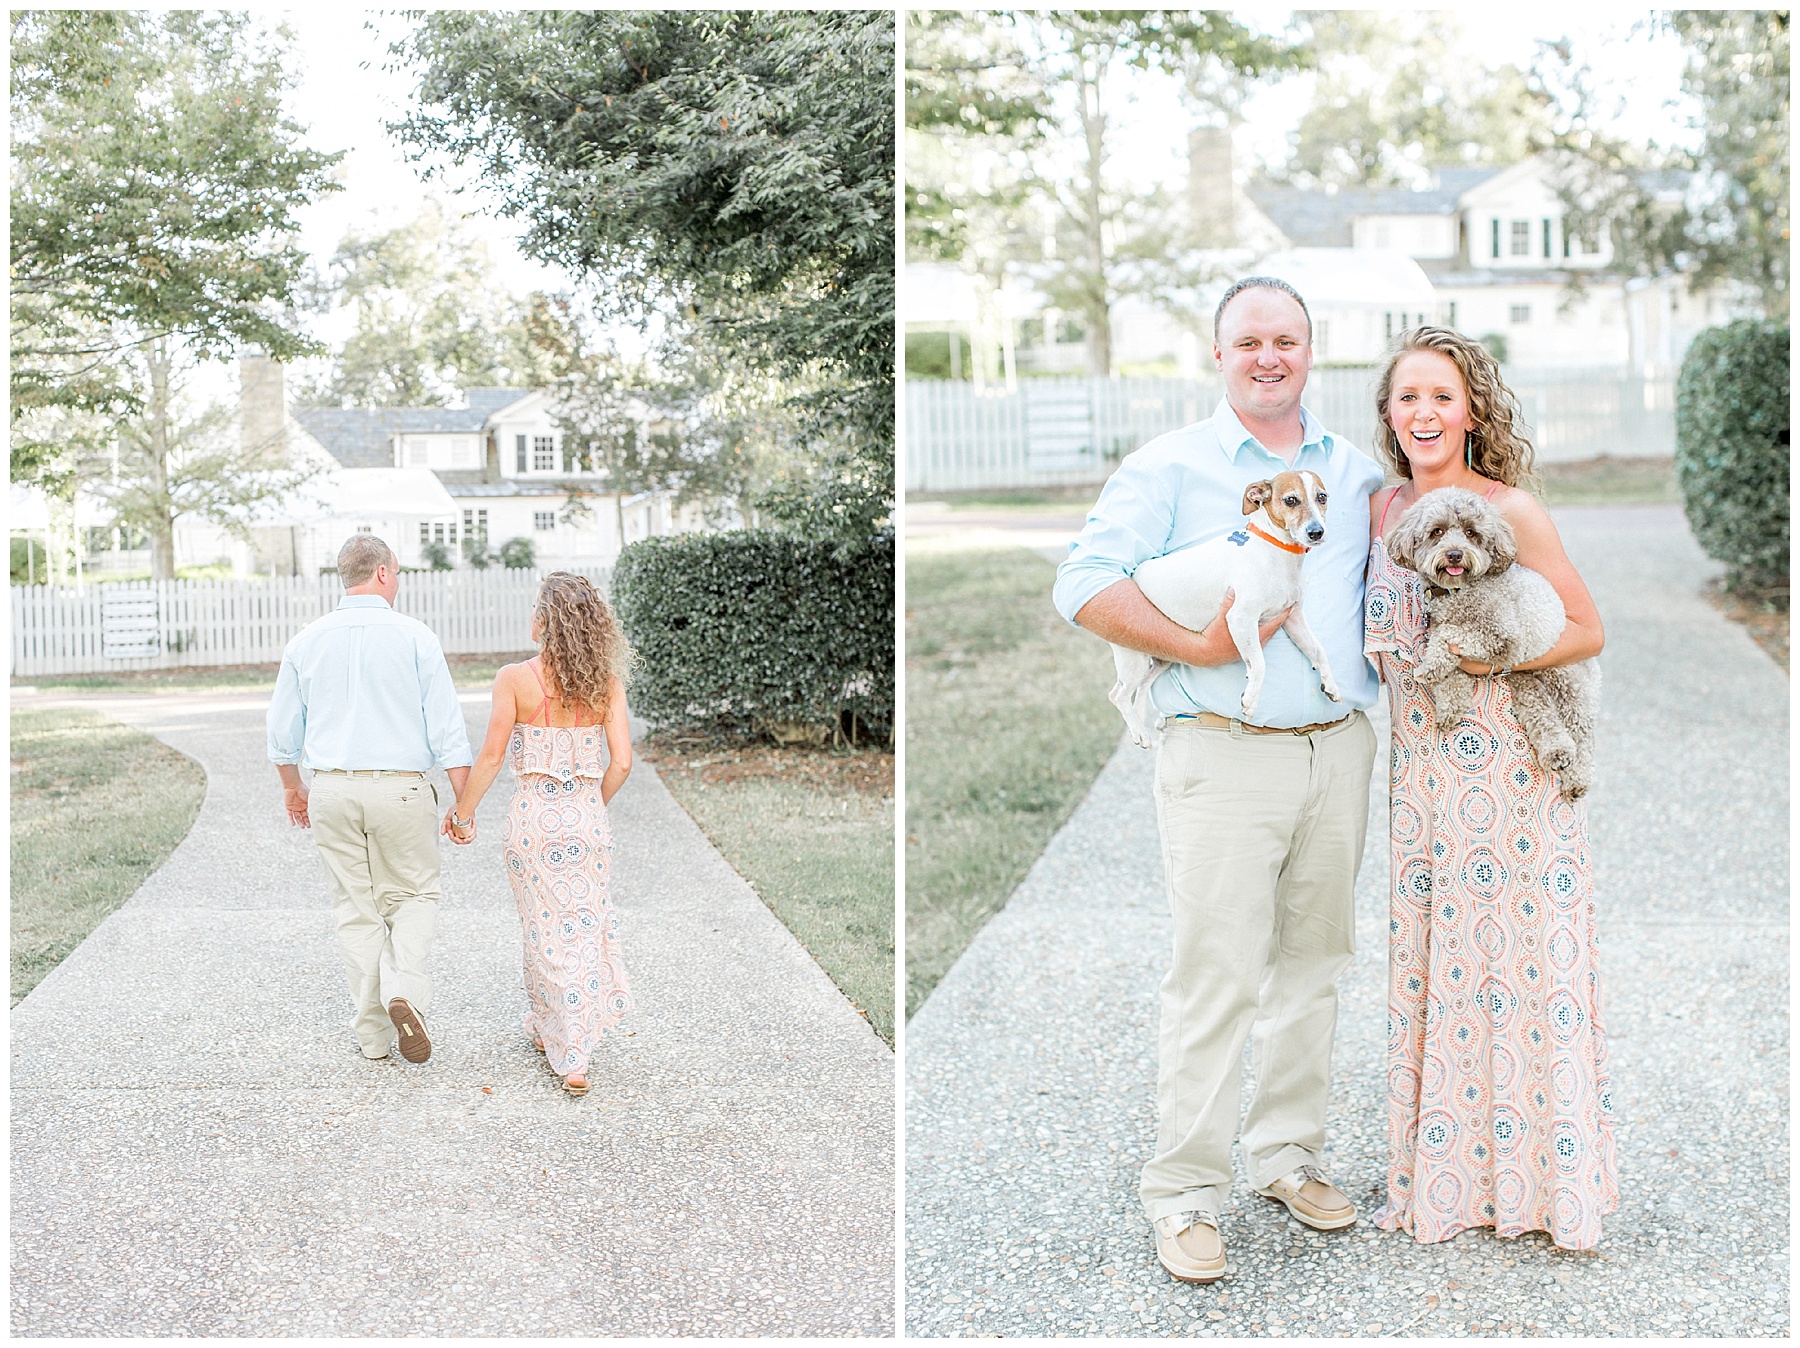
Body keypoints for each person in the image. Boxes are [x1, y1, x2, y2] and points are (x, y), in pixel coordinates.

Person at [1053, 277, 1385, 1284]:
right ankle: (1187, 1194)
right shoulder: (1170, 466)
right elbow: (1082, 584)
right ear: (1219, 353)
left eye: (1287, 338)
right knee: (1217, 975)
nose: (1269, 355)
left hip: (1340, 748)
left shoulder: (1355, 472)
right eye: (1250, 341)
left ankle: (1287, 1156)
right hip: (1222, 755)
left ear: (1311, 350)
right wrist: (1196, 645)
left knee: (1316, 964)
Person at [1364, 325, 1618, 1249]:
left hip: (1510, 775)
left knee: (1523, 968)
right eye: (1408, 398)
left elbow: (1585, 629)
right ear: (1390, 416)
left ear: (1472, 408)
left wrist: (1484, 658)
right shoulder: (1383, 512)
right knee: (1446, 972)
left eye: (1442, 395)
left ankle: (1543, 1188)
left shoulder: (1512, 509)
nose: (1424, 413)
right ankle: (1450, 1178)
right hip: (1424, 785)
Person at [268, 534, 474, 1064]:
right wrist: (463, 805)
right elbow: (447, 730)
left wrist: (294, 789)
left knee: (355, 910)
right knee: (414, 895)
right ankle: (404, 988)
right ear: (383, 573)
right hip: (401, 788)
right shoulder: (416, 637)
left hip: (332, 789)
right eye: (398, 574)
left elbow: (281, 731)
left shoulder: (306, 641)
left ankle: (373, 1039)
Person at [444, 571, 634, 1097]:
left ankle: (571, 1053)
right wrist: (589, 807)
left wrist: (462, 814)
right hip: (588, 821)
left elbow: (490, 756)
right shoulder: (606, 683)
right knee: (585, 923)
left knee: (544, 928)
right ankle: (555, 1030)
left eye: (535, 609)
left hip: (531, 821)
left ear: (547, 622)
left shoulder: (515, 679)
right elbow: (622, 763)